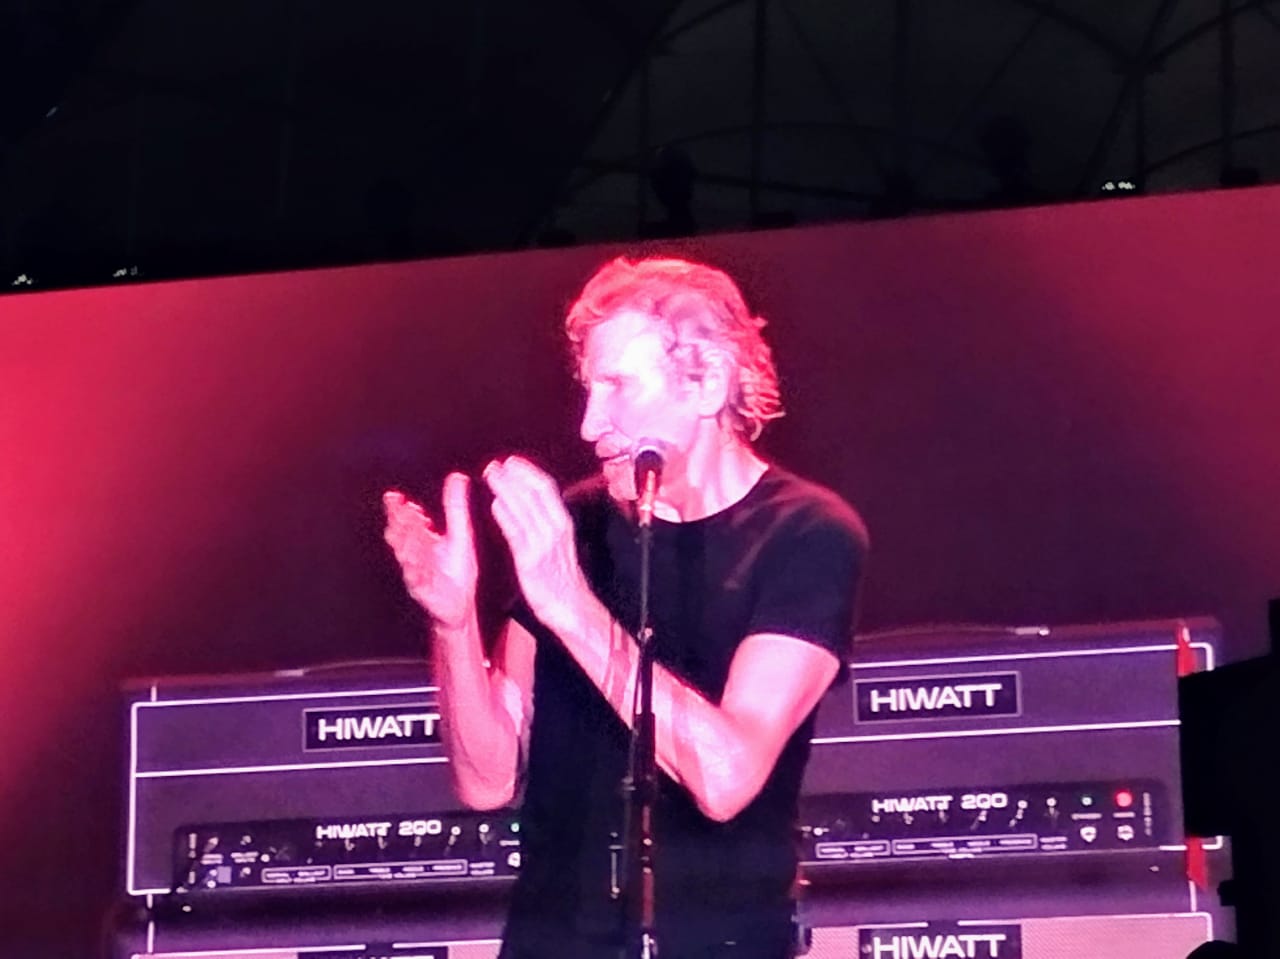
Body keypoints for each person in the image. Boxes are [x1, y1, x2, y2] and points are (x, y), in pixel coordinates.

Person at [383, 256, 868, 959]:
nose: (589, 424)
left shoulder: (806, 535)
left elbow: (726, 777)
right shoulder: (576, 526)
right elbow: (486, 779)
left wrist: (571, 606)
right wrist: (453, 623)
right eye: (588, 388)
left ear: (706, 382)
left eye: (616, 386)